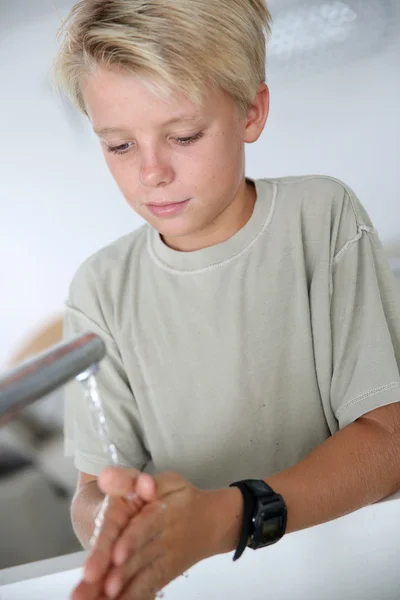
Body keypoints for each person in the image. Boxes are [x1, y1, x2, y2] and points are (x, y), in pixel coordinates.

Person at [54, 1, 400, 599]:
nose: (152, 171)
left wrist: (231, 515)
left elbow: (388, 439)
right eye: (118, 146)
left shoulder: (321, 219)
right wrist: (117, 530)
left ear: (251, 112)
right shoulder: (99, 289)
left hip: (350, 568)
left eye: (183, 135)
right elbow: (94, 488)